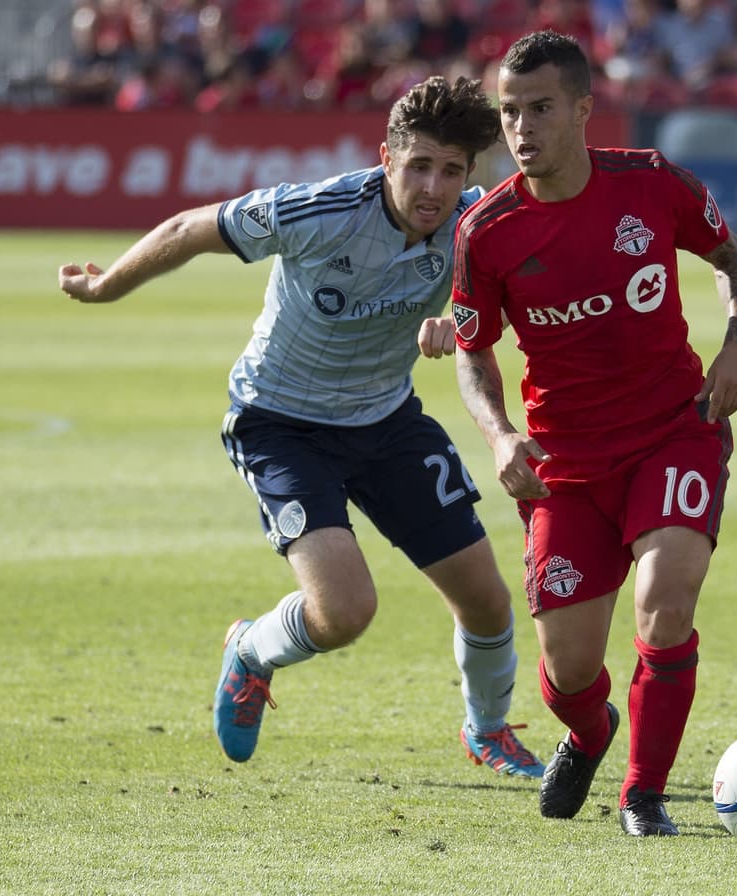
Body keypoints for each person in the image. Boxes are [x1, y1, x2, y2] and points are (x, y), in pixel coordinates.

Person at [56, 75, 545, 779]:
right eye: (418, 166)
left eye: (451, 170)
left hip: (385, 417)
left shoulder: (474, 227)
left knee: (487, 599)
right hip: (280, 421)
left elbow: (490, 309)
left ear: (471, 173)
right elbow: (188, 228)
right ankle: (252, 652)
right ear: (386, 157)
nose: (432, 187)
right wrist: (105, 288)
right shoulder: (321, 210)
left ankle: (488, 731)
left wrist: (455, 323)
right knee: (345, 612)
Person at [451, 31, 737, 837]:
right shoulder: (487, 232)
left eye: (541, 108)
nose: (522, 127)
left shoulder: (652, 184)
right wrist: (499, 438)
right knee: (567, 671)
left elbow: (733, 258)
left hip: (673, 433)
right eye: (509, 111)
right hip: (565, 466)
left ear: (584, 109)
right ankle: (591, 734)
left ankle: (642, 794)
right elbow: (473, 349)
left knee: (666, 601)